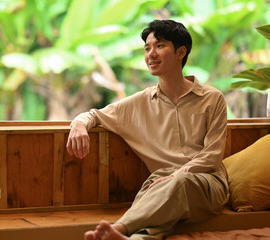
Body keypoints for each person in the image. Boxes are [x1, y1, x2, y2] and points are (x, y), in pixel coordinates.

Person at [66, 19, 229, 240]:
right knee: (159, 194)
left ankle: (121, 228)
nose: (150, 54)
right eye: (147, 48)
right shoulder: (140, 102)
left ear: (181, 52)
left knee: (177, 183)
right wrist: (78, 125)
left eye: (159, 46)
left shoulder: (212, 98)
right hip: (160, 184)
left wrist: (178, 174)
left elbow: (212, 155)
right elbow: (94, 115)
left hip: (207, 183)